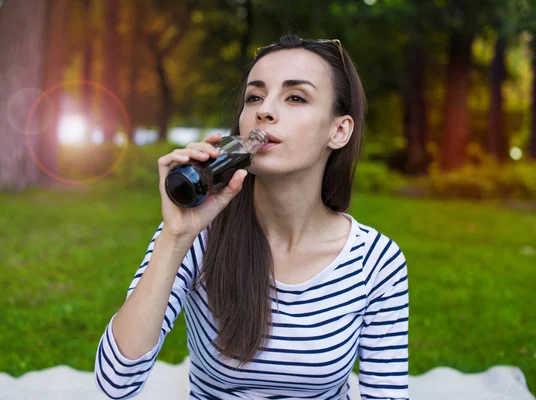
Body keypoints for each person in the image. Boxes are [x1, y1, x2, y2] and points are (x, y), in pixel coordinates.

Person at [94, 34, 409, 400]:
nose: (264, 111)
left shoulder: (377, 261)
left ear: (338, 131)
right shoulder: (198, 236)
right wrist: (175, 237)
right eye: (254, 97)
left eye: (295, 97)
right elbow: (115, 383)